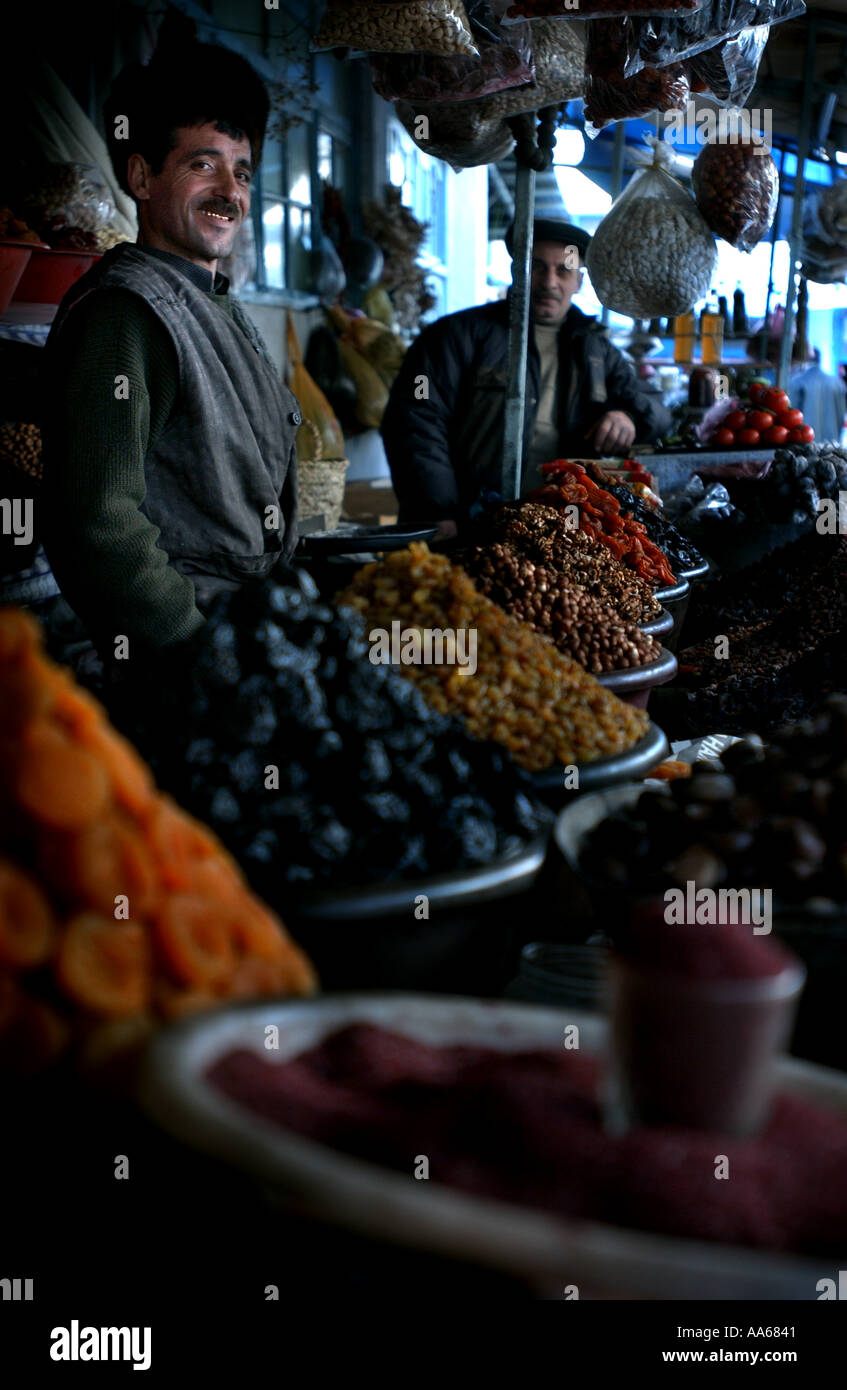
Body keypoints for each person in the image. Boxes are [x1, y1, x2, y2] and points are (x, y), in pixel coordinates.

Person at [39, 42, 302, 665]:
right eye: (203, 165)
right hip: (189, 656)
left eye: (241, 171)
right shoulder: (125, 314)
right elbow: (98, 526)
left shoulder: (209, 299)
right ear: (141, 177)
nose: (229, 192)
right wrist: (193, 653)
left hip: (247, 635)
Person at [381, 219, 670, 531]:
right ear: (516, 272)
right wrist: (437, 512)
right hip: (470, 522)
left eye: (563, 270)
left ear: (579, 281)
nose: (549, 282)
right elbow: (416, 419)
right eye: (537, 267)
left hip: (562, 527)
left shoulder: (596, 351)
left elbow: (656, 406)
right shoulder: (455, 336)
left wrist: (628, 415)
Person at [789, 347, 847, 445]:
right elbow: (842, 413)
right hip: (832, 445)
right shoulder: (837, 383)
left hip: (805, 444)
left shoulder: (796, 382)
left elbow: (792, 414)